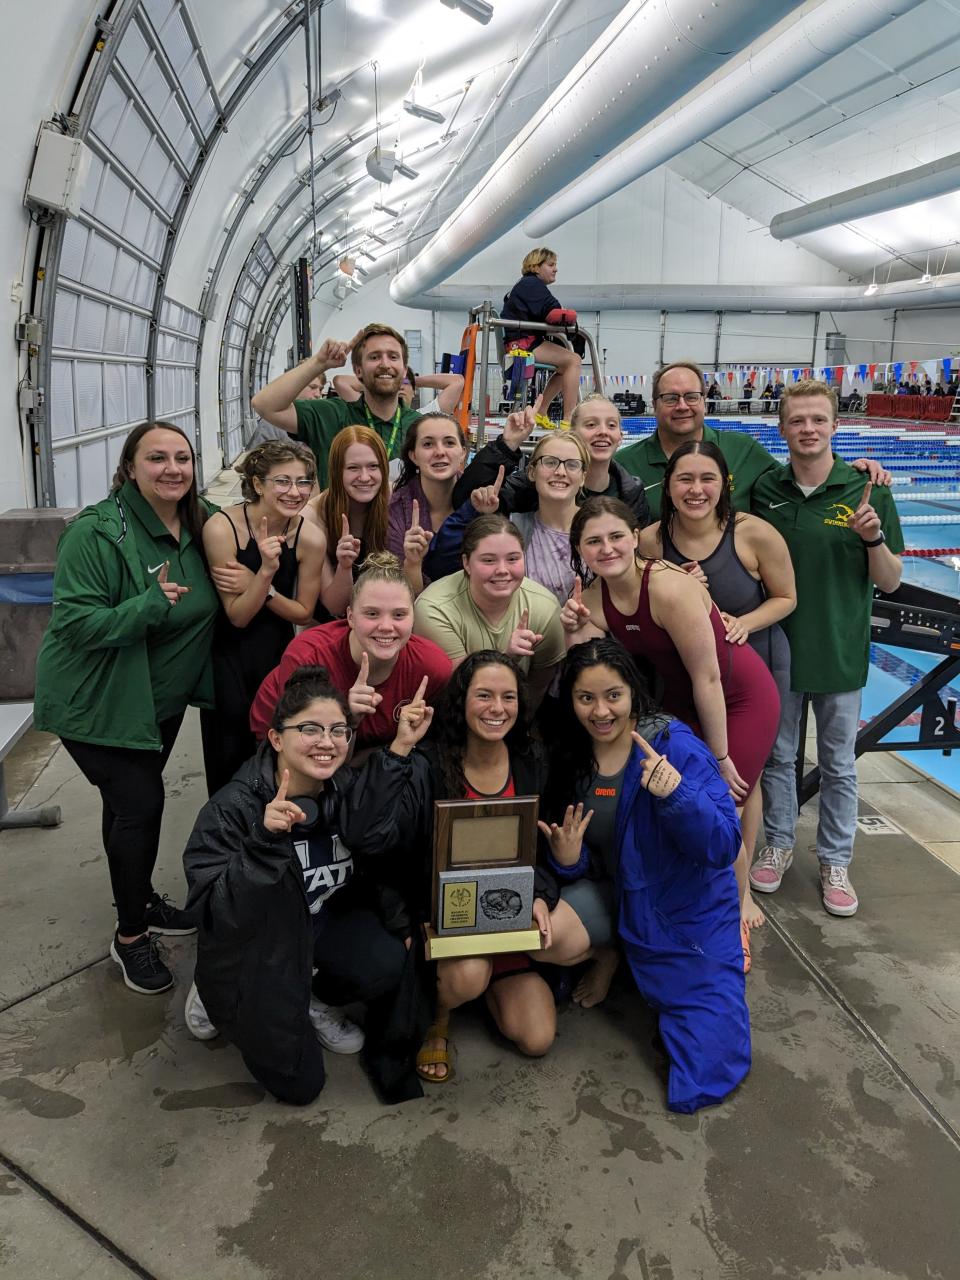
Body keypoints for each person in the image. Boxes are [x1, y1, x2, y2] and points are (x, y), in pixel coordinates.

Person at [182, 664, 434, 1105]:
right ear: (276, 738)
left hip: (316, 928)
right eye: (310, 729)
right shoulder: (235, 807)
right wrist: (262, 843)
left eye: (339, 730)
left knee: (390, 959)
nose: (327, 741)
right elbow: (212, 911)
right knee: (301, 1088)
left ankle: (313, 994)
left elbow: (374, 843)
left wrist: (399, 748)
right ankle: (214, 992)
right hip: (258, 947)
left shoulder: (341, 786)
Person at [34, 422, 220, 995]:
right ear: (129, 467)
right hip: (98, 701)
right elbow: (74, 622)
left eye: (182, 458)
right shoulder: (98, 534)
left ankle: (136, 896)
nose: (172, 469)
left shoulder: (200, 520)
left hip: (153, 705)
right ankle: (132, 937)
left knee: (127, 805)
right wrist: (145, 606)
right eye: (156, 458)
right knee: (140, 803)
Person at [562, 496, 780, 970]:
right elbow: (597, 670)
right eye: (593, 541)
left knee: (728, 798)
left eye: (616, 536)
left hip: (737, 694)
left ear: (634, 537)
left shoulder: (667, 586)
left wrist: (720, 757)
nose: (607, 548)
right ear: (579, 549)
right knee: (695, 801)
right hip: (679, 703)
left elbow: (708, 677)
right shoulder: (594, 598)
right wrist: (574, 628)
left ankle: (735, 912)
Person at [543, 637, 748, 1112]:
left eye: (613, 695)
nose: (600, 711)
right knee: (546, 939)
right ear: (570, 699)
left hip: (680, 905)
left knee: (707, 1064)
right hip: (618, 893)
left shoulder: (673, 745)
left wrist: (677, 795)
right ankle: (613, 954)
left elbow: (722, 844)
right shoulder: (573, 755)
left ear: (632, 692)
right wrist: (568, 859)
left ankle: (634, 960)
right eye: (585, 698)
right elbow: (585, 857)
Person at [751, 380, 904, 917]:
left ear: (835, 425)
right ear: (782, 428)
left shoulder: (868, 489)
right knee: (779, 757)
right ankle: (778, 843)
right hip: (778, 650)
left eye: (818, 419)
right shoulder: (766, 488)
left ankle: (835, 860)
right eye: (798, 421)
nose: (808, 429)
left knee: (839, 764)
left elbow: (889, 582)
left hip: (839, 652)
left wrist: (873, 539)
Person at [637, 440, 796, 944]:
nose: (696, 489)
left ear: (724, 484)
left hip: (750, 677)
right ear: (668, 486)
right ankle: (696, 878)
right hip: (685, 682)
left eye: (707, 478)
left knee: (736, 785)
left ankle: (738, 890)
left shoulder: (753, 534)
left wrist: (740, 623)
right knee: (696, 781)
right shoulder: (650, 542)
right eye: (685, 479)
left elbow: (788, 598)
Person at [399, 653, 568, 1082]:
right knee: (468, 973)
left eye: (508, 696)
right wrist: (408, 922)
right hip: (447, 922)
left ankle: (485, 985)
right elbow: (402, 852)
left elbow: (541, 849)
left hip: (506, 919)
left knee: (537, 1037)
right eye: (485, 695)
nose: (498, 708)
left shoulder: (531, 761)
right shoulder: (431, 764)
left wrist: (539, 895)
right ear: (462, 700)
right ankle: (439, 1012)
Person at [200, 441, 327, 794]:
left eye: (303, 482)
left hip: (277, 657)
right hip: (228, 658)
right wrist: (267, 570)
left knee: (276, 755)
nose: (294, 492)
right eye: (282, 481)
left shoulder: (309, 536)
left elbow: (303, 612)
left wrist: (262, 587)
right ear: (257, 484)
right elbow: (238, 615)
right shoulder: (222, 528)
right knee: (227, 758)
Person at [616, 360, 891, 519]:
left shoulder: (743, 450)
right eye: (670, 398)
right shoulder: (626, 464)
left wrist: (850, 468)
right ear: (654, 403)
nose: (682, 406)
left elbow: (798, 481)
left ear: (704, 401)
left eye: (691, 396)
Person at [250, 552, 452, 758]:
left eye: (399, 615)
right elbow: (305, 753)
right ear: (350, 617)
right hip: (289, 744)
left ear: (413, 617)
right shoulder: (309, 656)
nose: (386, 626)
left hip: (379, 753)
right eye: (372, 614)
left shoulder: (433, 667)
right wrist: (346, 718)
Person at [413, 514, 566, 708]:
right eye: (488, 560)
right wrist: (507, 658)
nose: (502, 569)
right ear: (466, 563)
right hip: (447, 715)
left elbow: (536, 688)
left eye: (512, 559)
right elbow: (457, 689)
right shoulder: (434, 608)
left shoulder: (545, 607)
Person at [429, 432, 591, 606]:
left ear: (583, 477)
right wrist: (475, 513)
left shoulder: (600, 529)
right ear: (531, 472)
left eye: (572, 465)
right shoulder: (512, 527)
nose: (560, 472)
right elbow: (441, 566)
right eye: (550, 462)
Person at [251, 324, 421, 487]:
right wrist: (319, 363)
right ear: (358, 370)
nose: (385, 364)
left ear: (404, 369)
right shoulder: (330, 415)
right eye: (374, 357)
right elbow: (264, 404)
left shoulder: (420, 427)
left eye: (393, 356)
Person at [450, 394, 651, 527]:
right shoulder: (535, 484)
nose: (603, 432)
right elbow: (466, 499)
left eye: (611, 425)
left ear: (620, 437)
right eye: (591, 424)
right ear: (572, 433)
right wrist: (507, 444)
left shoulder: (630, 493)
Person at [303, 426, 417, 614]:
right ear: (336, 472)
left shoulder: (397, 500)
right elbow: (334, 607)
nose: (365, 477)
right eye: (353, 468)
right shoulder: (312, 517)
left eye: (373, 466)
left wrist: (414, 561)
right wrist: (344, 567)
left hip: (386, 616)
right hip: (334, 623)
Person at [386, 412, 469, 592]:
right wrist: (413, 563)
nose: (440, 452)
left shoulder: (479, 502)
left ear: (463, 453)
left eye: (449, 442)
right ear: (413, 456)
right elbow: (400, 595)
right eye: (428, 444)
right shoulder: (395, 511)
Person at [501, 247, 582, 428]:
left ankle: (541, 412)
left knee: (566, 365)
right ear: (536, 267)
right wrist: (568, 316)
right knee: (574, 361)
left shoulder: (527, 285)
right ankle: (569, 420)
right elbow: (551, 312)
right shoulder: (532, 285)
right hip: (523, 344)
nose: (555, 269)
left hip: (523, 340)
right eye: (551, 265)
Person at [333, 366, 464, 419]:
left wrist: (414, 380)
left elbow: (457, 381)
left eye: (405, 383)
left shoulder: (425, 416)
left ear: (414, 392)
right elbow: (340, 382)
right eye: (396, 383)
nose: (400, 387)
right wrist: (380, 384)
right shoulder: (371, 415)